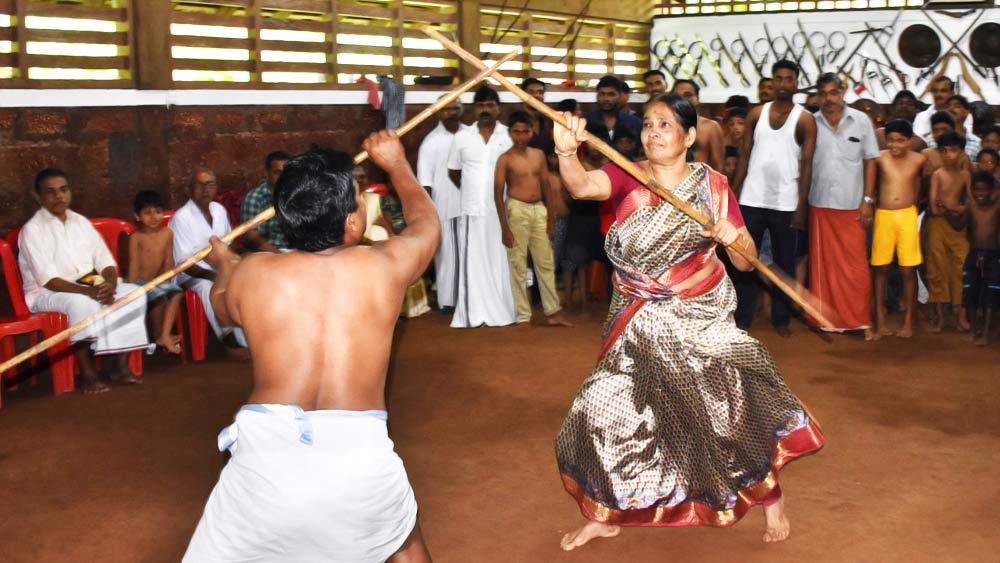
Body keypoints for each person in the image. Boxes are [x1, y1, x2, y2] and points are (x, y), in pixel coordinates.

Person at [551, 94, 824, 551]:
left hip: (699, 318)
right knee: (598, 413)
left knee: (726, 419)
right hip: (636, 321)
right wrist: (565, 152)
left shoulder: (713, 188)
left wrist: (732, 236)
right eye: (648, 124)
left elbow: (747, 261)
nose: (653, 132)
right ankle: (603, 513)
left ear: (689, 136)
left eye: (665, 125)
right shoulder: (626, 174)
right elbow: (583, 187)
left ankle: (770, 495)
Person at [183, 133, 435, 562]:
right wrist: (396, 165)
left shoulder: (253, 274)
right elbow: (426, 224)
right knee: (403, 542)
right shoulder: (385, 266)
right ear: (352, 223)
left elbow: (222, 308)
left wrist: (226, 264)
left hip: (266, 456)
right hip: (361, 453)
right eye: (357, 198)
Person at [18, 168, 148, 393]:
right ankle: (87, 373)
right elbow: (49, 280)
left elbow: (105, 261)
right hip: (48, 292)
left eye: (63, 190)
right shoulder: (32, 230)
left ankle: (120, 366)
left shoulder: (81, 222)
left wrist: (110, 285)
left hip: (89, 282)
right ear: (38, 197)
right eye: (51, 192)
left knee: (134, 293)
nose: (59, 196)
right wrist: (90, 292)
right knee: (81, 304)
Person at [731, 60, 817, 335]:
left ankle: (781, 319)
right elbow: (744, 155)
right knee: (746, 259)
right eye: (778, 78)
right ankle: (743, 317)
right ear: (773, 81)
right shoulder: (756, 114)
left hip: (785, 202)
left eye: (789, 79)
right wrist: (733, 193)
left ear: (796, 83)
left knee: (784, 263)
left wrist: (801, 209)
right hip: (752, 199)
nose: (783, 84)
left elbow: (808, 167)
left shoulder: (805, 120)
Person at [808, 73, 880, 339]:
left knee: (857, 268)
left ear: (843, 92)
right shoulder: (810, 123)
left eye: (833, 93)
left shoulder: (861, 121)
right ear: (817, 96)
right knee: (824, 269)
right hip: (819, 203)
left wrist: (868, 200)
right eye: (823, 93)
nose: (828, 99)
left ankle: (861, 321)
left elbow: (871, 160)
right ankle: (828, 321)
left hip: (853, 206)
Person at [494, 111, 573, 327]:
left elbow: (547, 186)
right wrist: (504, 229)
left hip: (539, 209)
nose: (520, 136)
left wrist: (550, 220)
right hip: (516, 209)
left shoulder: (538, 155)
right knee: (517, 264)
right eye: (516, 132)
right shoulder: (505, 159)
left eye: (525, 131)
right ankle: (523, 315)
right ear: (510, 133)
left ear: (532, 132)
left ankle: (553, 311)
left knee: (545, 262)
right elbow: (498, 193)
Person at [447, 85, 517, 327]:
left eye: (490, 105)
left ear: (498, 108)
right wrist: (473, 189)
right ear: (474, 109)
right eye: (480, 105)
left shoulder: (509, 135)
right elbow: (454, 172)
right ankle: (473, 314)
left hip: (502, 211)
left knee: (500, 260)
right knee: (473, 261)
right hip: (472, 210)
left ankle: (504, 312)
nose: (485, 110)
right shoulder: (461, 137)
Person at [169, 168, 249, 357]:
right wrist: (216, 276)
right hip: (191, 275)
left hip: (222, 269)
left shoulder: (219, 211)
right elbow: (183, 263)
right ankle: (230, 342)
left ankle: (248, 338)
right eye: (200, 185)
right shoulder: (182, 218)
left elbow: (227, 245)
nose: (205, 189)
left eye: (210, 184)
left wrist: (238, 263)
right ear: (189, 189)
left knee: (245, 280)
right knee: (208, 287)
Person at [872, 119, 926, 338]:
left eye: (901, 141)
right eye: (891, 140)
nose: (895, 145)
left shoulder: (919, 160)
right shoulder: (879, 158)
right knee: (880, 268)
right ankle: (881, 322)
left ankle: (908, 324)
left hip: (907, 215)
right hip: (883, 215)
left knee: (908, 270)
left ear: (910, 141)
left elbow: (921, 188)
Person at [417, 96, 466, 313]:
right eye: (446, 110)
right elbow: (424, 183)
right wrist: (429, 214)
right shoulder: (431, 142)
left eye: (455, 108)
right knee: (447, 256)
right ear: (438, 112)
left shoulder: (470, 135)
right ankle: (448, 301)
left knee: (469, 254)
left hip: (470, 205)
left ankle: (467, 299)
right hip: (443, 207)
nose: (451, 113)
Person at [926, 131, 971, 333]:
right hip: (937, 226)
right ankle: (940, 316)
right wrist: (957, 209)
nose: (948, 155)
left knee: (961, 267)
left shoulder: (965, 175)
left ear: (961, 152)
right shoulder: (937, 174)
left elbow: (969, 203)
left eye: (953, 151)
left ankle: (960, 315)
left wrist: (952, 208)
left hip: (958, 228)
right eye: (943, 151)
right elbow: (934, 208)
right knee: (937, 269)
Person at [128, 190, 183, 354]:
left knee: (172, 293)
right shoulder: (136, 237)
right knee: (159, 296)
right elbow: (133, 265)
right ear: (137, 216)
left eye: (158, 212)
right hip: (138, 283)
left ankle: (162, 335)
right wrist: (131, 291)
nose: (154, 217)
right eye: (147, 213)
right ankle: (160, 335)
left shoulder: (167, 233)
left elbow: (168, 262)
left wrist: (166, 282)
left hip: (157, 281)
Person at [959, 171, 1000, 345]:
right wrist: (947, 211)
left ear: (992, 190)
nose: (980, 194)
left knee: (991, 294)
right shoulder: (971, 206)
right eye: (976, 190)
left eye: (984, 190)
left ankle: (985, 333)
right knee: (970, 293)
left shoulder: (998, 207)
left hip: (993, 256)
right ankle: (975, 329)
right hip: (974, 254)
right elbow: (959, 226)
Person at [240, 151, 291, 252]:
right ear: (267, 173)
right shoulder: (254, 198)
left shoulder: (295, 196)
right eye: (278, 173)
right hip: (266, 255)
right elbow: (251, 238)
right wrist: (279, 256)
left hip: (294, 253)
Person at [671, 78, 725, 170]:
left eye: (688, 95)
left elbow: (718, 166)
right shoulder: (664, 127)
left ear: (697, 98)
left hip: (700, 181)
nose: (683, 99)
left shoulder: (710, 127)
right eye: (678, 96)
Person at [913, 76, 972, 148]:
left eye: (943, 91)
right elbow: (918, 142)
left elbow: (964, 137)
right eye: (935, 91)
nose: (938, 95)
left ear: (952, 93)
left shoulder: (962, 114)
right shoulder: (921, 116)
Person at [585, 75, 642, 144]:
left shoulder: (635, 123)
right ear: (597, 96)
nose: (606, 99)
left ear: (619, 96)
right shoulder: (586, 123)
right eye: (602, 94)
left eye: (611, 94)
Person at [521, 77, 555, 155]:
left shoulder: (548, 122)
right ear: (522, 95)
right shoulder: (515, 122)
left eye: (540, 92)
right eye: (531, 92)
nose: (536, 95)